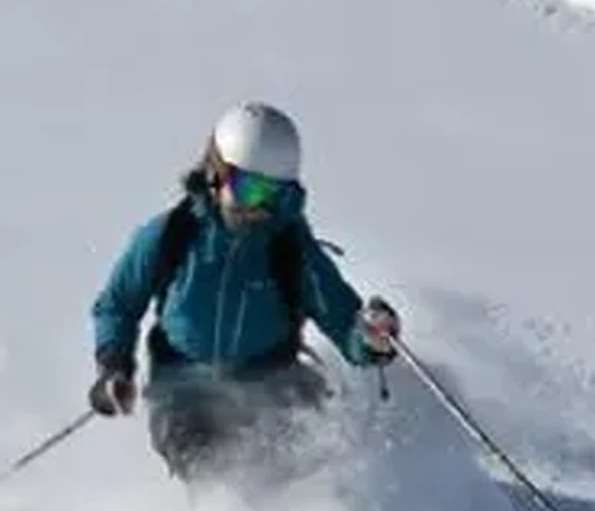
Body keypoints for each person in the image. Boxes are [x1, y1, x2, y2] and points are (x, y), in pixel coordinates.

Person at [89, 101, 400, 483]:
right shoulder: (173, 234)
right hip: (185, 393)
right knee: (215, 472)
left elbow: (343, 320)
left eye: (274, 195)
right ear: (216, 173)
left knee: (310, 459)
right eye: (249, 188)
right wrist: (113, 365)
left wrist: (372, 339)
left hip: (271, 383)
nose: (260, 207)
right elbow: (118, 305)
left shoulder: (290, 247)